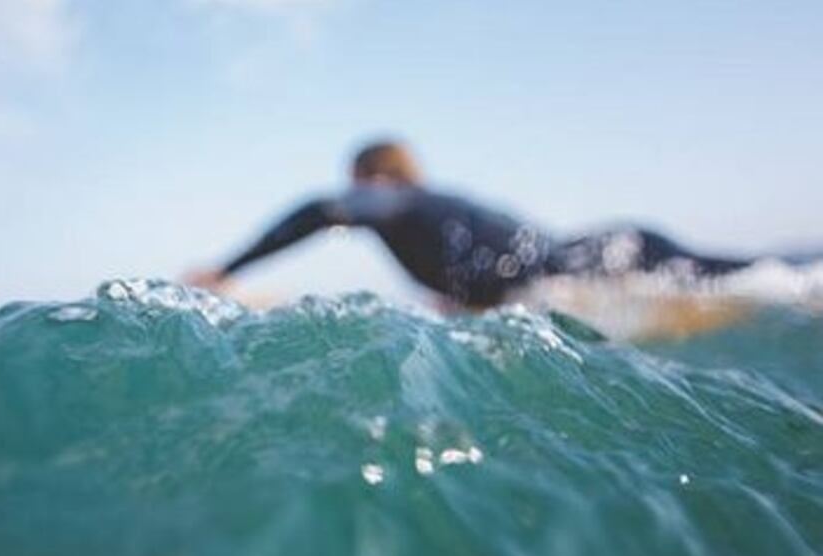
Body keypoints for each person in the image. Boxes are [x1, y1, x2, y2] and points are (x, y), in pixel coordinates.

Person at [186, 140, 750, 309]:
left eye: (355, 183)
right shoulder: (443, 209)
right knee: (766, 283)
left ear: (376, 180)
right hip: (616, 251)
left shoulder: (398, 201)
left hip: (613, 258)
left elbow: (317, 211)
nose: (352, 200)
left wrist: (224, 268)